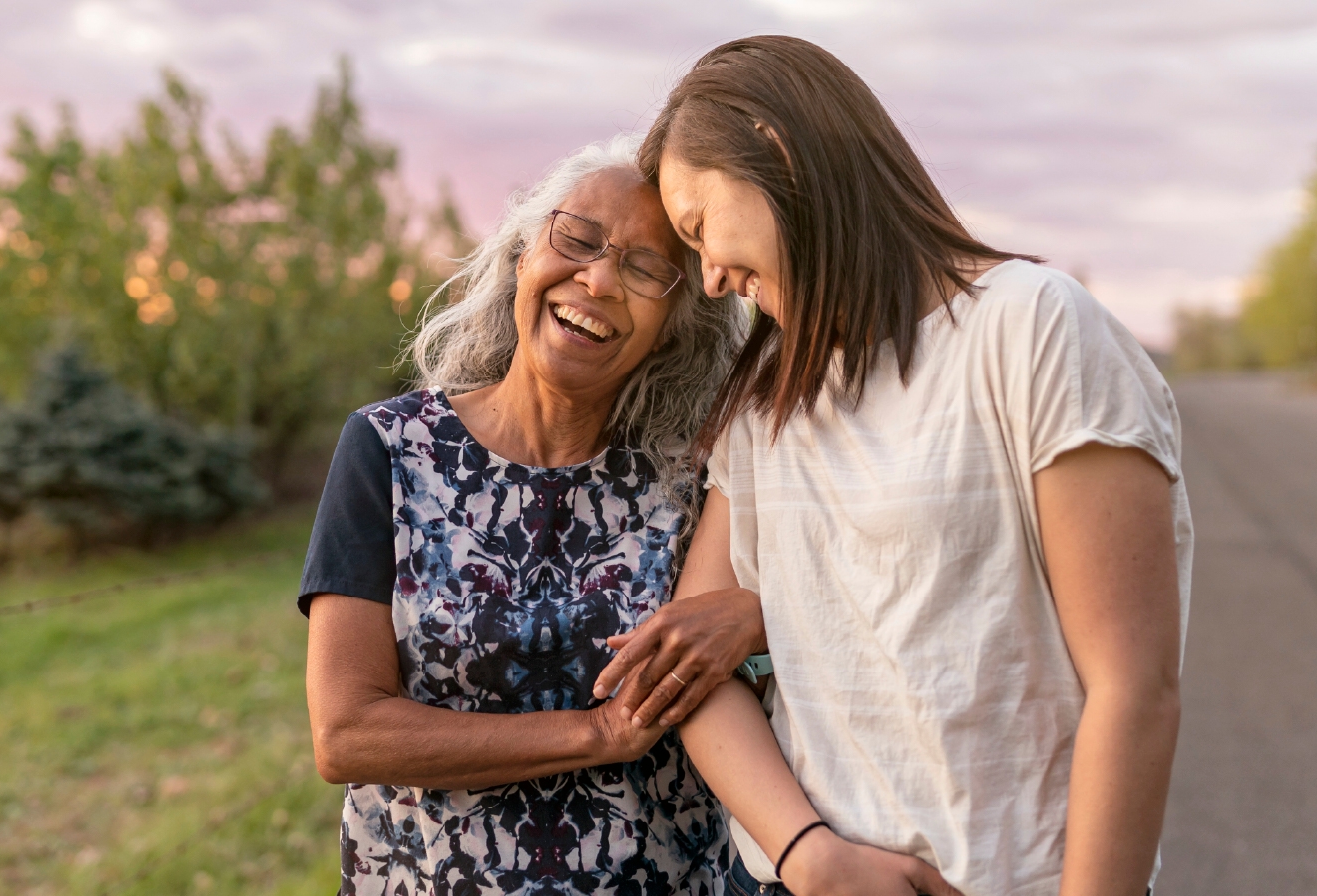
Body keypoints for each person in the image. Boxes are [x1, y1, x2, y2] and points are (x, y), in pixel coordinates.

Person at [595, 36, 1193, 896]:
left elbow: (1132, 691)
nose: (713, 275)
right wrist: (807, 854)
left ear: (774, 145)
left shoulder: (1031, 331)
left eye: (698, 229)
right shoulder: (768, 394)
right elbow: (686, 670)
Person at [300, 134, 748, 894]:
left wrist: (753, 613)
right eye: (576, 238)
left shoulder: (702, 476)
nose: (599, 279)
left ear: (677, 324)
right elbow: (346, 733)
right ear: (521, 254)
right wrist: (600, 733)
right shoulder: (388, 447)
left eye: (644, 269)